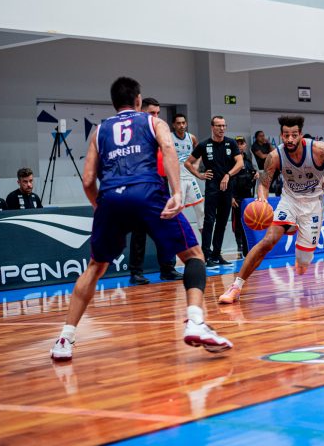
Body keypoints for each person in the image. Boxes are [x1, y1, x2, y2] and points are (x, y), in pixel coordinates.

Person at [50, 76, 231, 360]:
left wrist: (100, 206)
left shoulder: (99, 130)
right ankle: (195, 321)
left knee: (95, 267)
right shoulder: (153, 122)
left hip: (111, 196)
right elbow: (169, 150)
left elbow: (87, 179)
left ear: (114, 103)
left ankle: (65, 338)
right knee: (194, 255)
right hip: (148, 193)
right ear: (138, 100)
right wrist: (176, 193)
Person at [219, 115, 324, 303]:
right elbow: (263, 183)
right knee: (268, 241)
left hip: (312, 206)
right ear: (281, 135)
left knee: (302, 265)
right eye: (286, 135)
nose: (290, 139)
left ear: (300, 135)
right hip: (289, 201)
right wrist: (262, 199)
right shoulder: (274, 156)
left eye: (294, 135)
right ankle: (236, 286)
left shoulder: (319, 149)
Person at [127, 98, 181, 285]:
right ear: (141, 112)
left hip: (161, 183)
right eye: (152, 113)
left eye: (158, 113)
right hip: (141, 183)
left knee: (166, 226)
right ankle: (136, 272)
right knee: (139, 230)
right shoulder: (133, 133)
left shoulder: (159, 131)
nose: (156, 116)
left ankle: (168, 269)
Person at [185, 116, 244, 268]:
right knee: (209, 221)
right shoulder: (204, 145)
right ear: (212, 127)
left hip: (227, 187)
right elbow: (188, 163)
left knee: (222, 222)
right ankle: (206, 255)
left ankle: (217, 254)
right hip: (212, 188)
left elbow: (240, 163)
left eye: (224, 125)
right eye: (218, 126)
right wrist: (199, 175)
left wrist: (228, 175)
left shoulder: (231, 143)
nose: (222, 128)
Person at [231, 136, 257, 257]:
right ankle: (239, 244)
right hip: (236, 197)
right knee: (237, 223)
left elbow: (251, 178)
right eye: (237, 144)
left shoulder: (248, 161)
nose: (239, 146)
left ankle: (248, 244)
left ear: (245, 145)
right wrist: (231, 197)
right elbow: (228, 179)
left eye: (241, 143)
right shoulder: (230, 160)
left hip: (247, 197)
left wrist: (255, 176)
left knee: (248, 221)